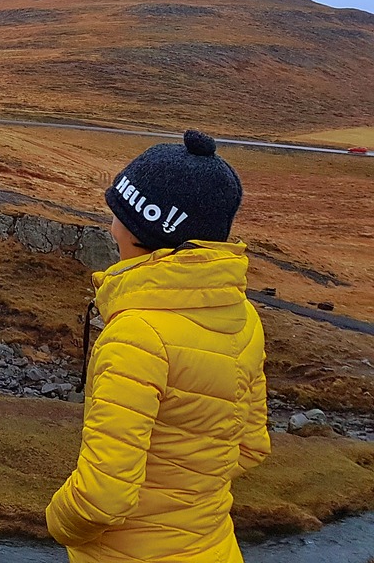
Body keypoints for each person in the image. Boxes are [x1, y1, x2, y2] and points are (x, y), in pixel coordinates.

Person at [46, 129, 269, 562]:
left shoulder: (137, 335)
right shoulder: (243, 316)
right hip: (216, 548)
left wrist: (57, 521)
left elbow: (101, 497)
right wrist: (182, 491)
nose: (110, 225)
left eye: (117, 213)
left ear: (138, 229)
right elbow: (250, 446)